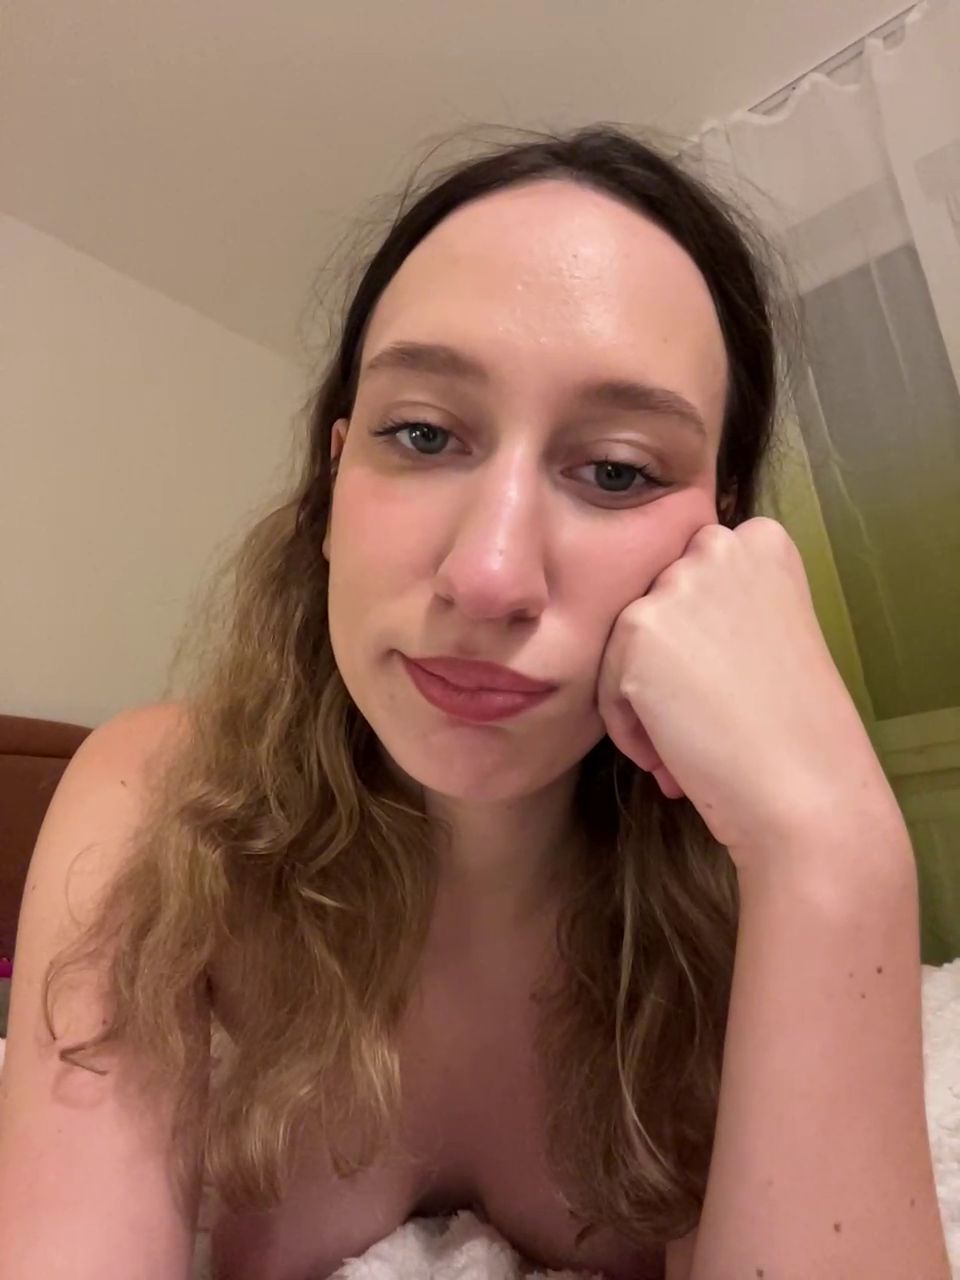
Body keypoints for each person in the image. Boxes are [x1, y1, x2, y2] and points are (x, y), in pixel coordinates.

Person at [0, 125, 948, 1280]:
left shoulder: (750, 863)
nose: (490, 574)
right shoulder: (155, 802)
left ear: (725, 537)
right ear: (333, 481)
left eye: (617, 469)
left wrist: (834, 849)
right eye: (423, 432)